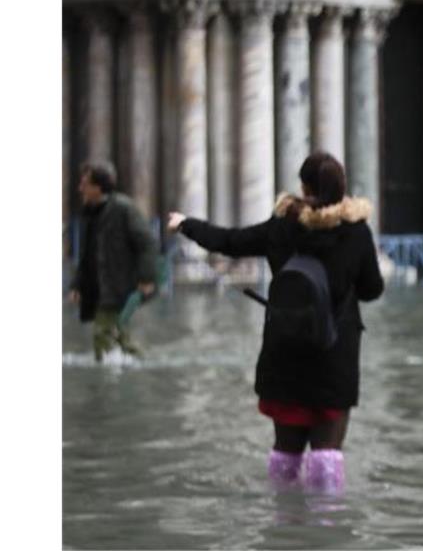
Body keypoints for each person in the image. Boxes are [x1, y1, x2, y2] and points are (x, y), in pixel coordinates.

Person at [167, 152, 383, 493]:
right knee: (327, 456)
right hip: (334, 354)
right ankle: (327, 533)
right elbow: (373, 290)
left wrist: (185, 224)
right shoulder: (355, 232)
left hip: (285, 350)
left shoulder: (282, 226)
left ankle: (284, 530)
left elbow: (230, 242)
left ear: (305, 187)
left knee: (285, 454)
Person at [67, 161, 159, 362]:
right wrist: (77, 285)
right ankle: (142, 366)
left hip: (120, 287)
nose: (80, 188)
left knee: (103, 336)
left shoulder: (123, 209)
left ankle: (112, 381)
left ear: (98, 187)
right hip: (100, 288)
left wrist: (146, 278)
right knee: (118, 337)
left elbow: (148, 243)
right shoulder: (90, 213)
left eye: (85, 183)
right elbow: (86, 255)